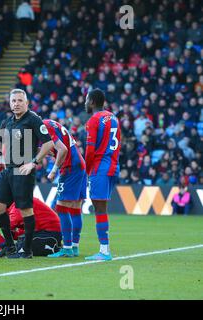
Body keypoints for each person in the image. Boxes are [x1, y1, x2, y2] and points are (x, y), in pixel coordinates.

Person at [0, 88, 54, 259]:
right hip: (8, 170)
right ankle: (10, 247)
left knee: (25, 209)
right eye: (13, 101)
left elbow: (48, 144)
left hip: (23, 170)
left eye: (19, 101)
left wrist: (33, 162)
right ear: (10, 103)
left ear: (26, 103)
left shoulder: (33, 119)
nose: (16, 104)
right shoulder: (7, 122)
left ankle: (27, 250)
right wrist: (0, 155)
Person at [84, 88, 121, 261]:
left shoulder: (93, 120)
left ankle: (104, 250)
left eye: (86, 99)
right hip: (113, 166)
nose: (85, 103)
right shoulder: (113, 118)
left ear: (92, 101)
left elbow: (90, 150)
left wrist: (86, 171)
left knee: (99, 208)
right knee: (102, 208)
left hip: (100, 168)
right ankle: (104, 249)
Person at [43, 119, 87, 258]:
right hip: (79, 163)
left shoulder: (44, 127)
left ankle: (67, 248)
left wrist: (54, 170)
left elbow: (63, 149)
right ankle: (74, 247)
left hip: (69, 167)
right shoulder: (51, 123)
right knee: (75, 207)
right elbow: (58, 147)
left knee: (61, 207)